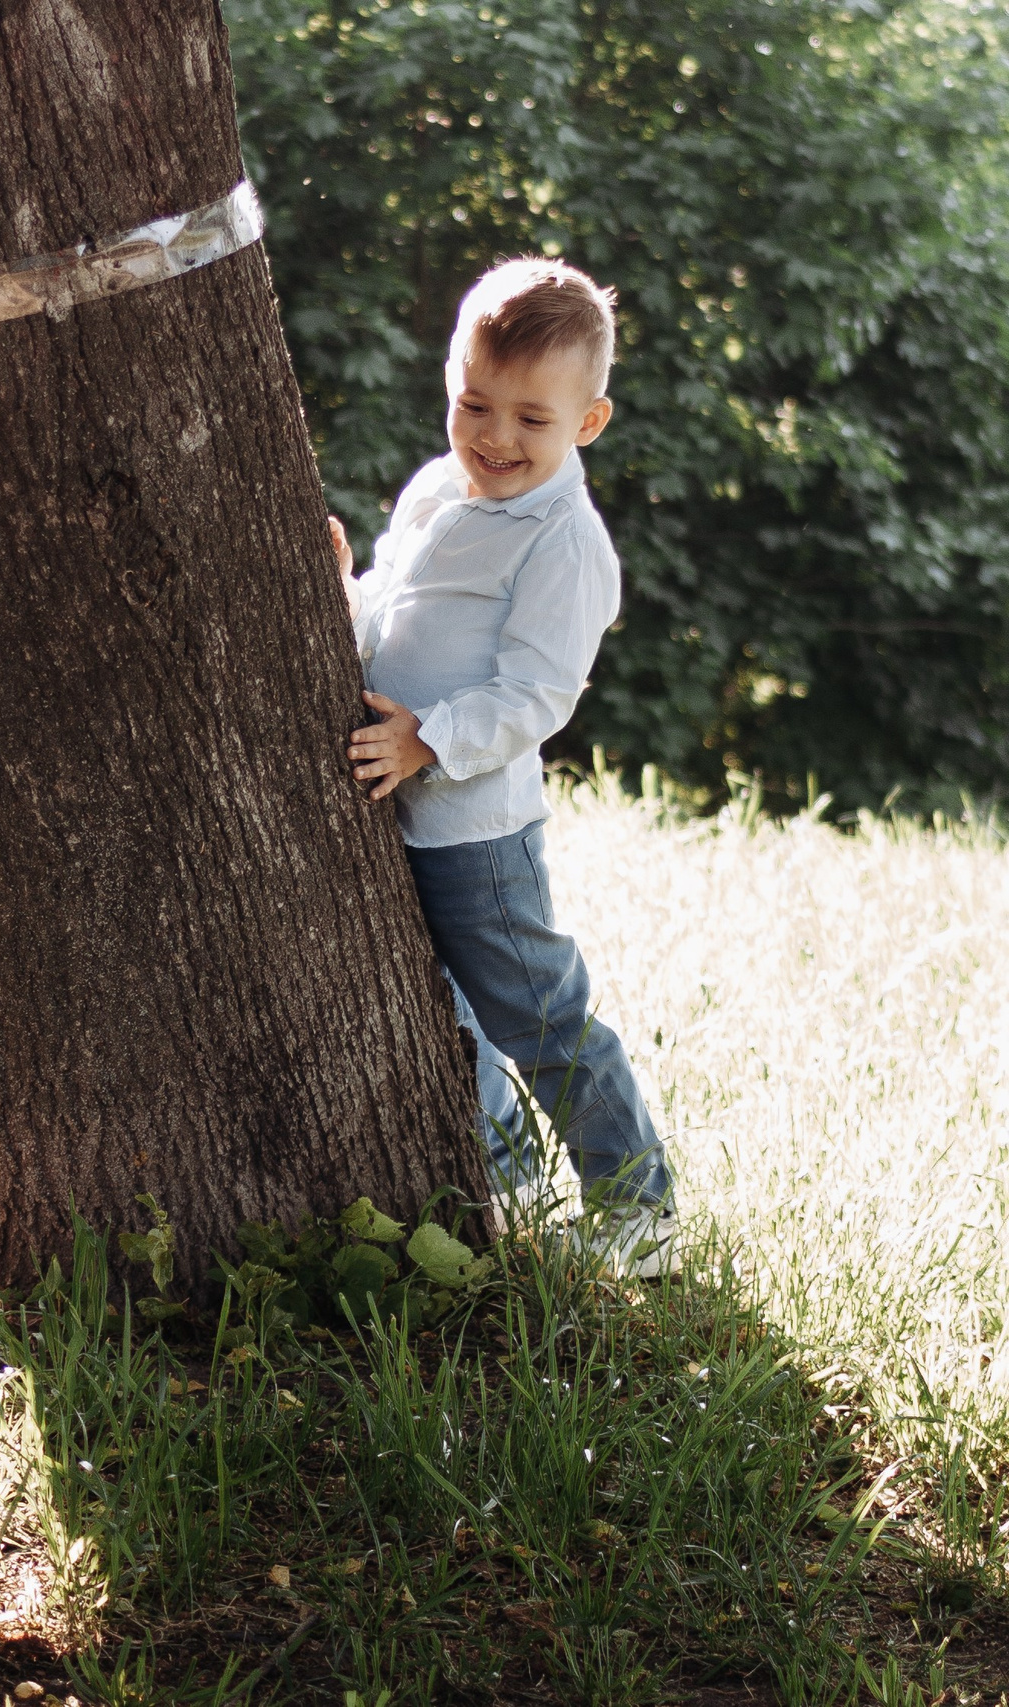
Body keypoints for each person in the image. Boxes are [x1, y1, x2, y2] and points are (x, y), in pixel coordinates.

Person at [329, 256, 678, 1277]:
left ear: (587, 424)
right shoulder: (440, 489)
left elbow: (537, 693)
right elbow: (393, 616)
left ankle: (636, 1205)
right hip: (395, 802)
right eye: (474, 405)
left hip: (474, 832)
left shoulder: (565, 544)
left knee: (536, 1012)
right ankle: (511, 1164)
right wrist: (332, 592)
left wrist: (428, 738)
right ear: (450, 381)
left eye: (531, 420)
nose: (494, 438)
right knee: (436, 1003)